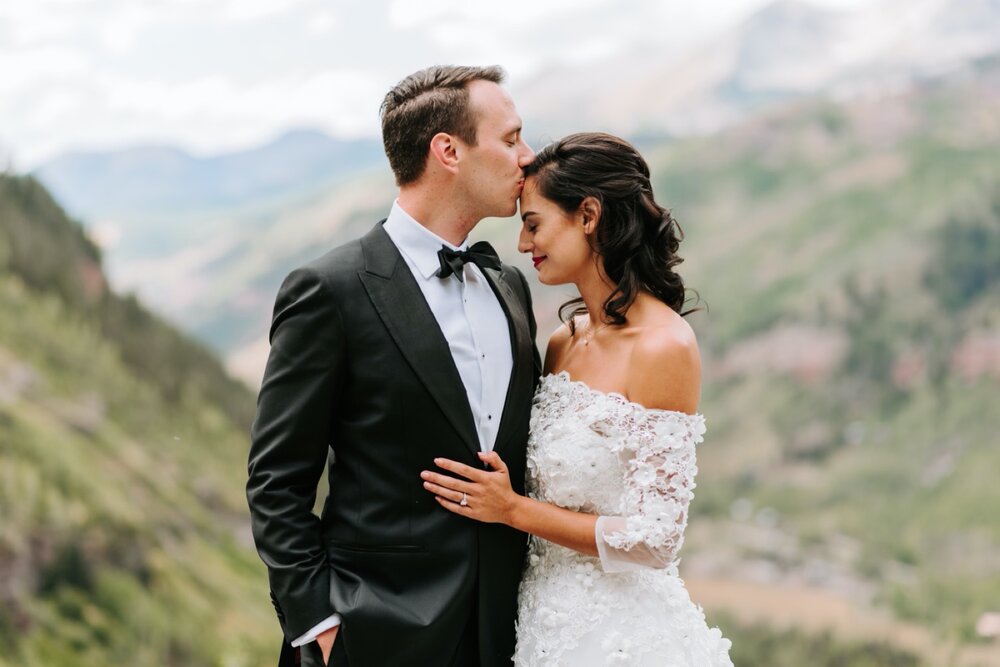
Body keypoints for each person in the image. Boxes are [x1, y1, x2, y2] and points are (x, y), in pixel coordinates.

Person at [246, 65, 539, 667]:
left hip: (508, 634)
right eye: (510, 139)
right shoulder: (330, 290)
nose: (527, 158)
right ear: (448, 151)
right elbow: (277, 481)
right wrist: (321, 626)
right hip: (374, 634)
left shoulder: (509, 286)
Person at [420, 132, 734, 666]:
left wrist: (513, 510)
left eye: (534, 222)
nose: (522, 243)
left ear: (588, 216)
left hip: (621, 640)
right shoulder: (563, 343)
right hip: (539, 626)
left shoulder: (663, 347)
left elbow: (655, 539)